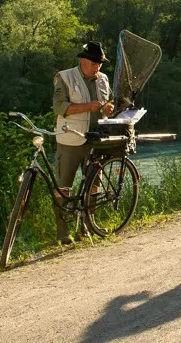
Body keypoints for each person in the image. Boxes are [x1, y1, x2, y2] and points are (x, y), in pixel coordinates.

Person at [51, 41, 115, 244]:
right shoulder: (65, 77)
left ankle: (88, 226)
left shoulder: (103, 79)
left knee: (94, 184)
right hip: (70, 139)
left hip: (96, 139)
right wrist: (89, 107)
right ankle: (63, 233)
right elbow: (60, 108)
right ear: (83, 60)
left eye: (100, 62)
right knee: (64, 186)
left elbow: (108, 101)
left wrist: (108, 108)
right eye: (94, 62)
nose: (98, 66)